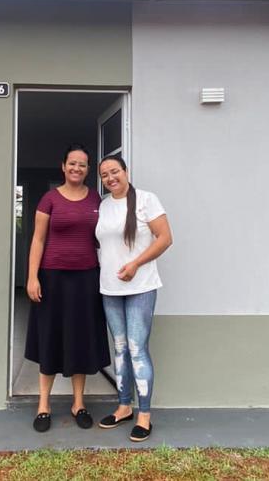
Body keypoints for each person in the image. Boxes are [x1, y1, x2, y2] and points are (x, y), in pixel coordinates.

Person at [25, 143, 110, 433]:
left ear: (88, 170)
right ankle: (44, 405)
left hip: (87, 279)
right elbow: (37, 240)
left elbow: (106, 236)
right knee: (50, 338)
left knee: (79, 340)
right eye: (72, 163)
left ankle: (78, 404)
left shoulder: (96, 199)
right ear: (63, 166)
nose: (77, 168)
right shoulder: (49, 199)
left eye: (83, 165)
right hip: (52, 278)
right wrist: (32, 277)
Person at [95, 155, 172, 442]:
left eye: (114, 171)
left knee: (138, 350)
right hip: (110, 290)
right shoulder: (103, 205)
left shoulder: (146, 200)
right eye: (104, 175)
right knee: (120, 348)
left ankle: (144, 415)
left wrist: (135, 264)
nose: (110, 178)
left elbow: (164, 238)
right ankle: (124, 406)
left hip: (140, 287)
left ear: (126, 172)